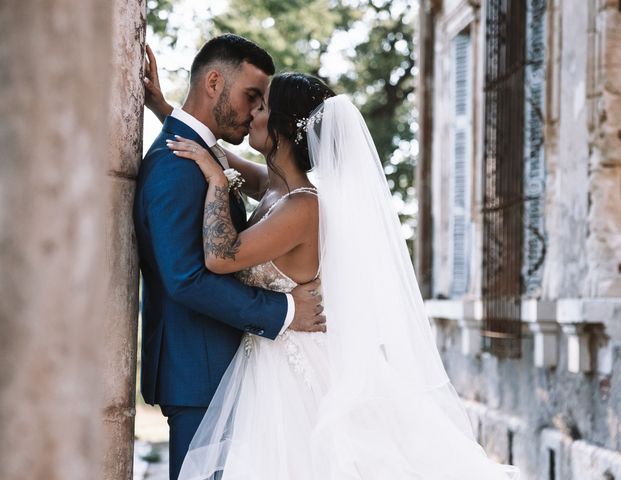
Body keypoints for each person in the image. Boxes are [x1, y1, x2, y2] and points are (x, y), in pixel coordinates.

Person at [148, 60, 519, 477]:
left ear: (284, 131)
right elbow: (220, 155)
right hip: (267, 358)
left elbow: (220, 256)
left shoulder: (302, 206)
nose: (252, 112)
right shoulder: (276, 188)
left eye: (262, 107)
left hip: (291, 368)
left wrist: (217, 184)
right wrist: (167, 110)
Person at [134, 35, 326, 480]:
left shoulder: (276, 188)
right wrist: (285, 310)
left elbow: (228, 168)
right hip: (201, 371)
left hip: (239, 367)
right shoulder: (177, 164)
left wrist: (173, 116)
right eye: (251, 97)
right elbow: (186, 277)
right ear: (215, 82)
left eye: (263, 104)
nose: (256, 112)